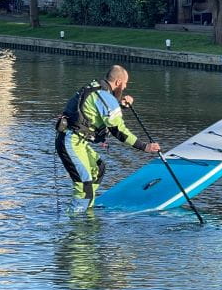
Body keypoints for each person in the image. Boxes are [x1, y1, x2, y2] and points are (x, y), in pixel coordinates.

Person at [55, 64, 160, 214]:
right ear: (118, 82)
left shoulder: (97, 87)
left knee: (98, 169)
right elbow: (118, 131)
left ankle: (86, 209)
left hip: (76, 140)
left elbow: (99, 110)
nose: (124, 87)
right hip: (70, 142)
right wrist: (144, 146)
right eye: (124, 84)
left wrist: (119, 105)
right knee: (84, 186)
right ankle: (75, 225)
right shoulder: (105, 96)